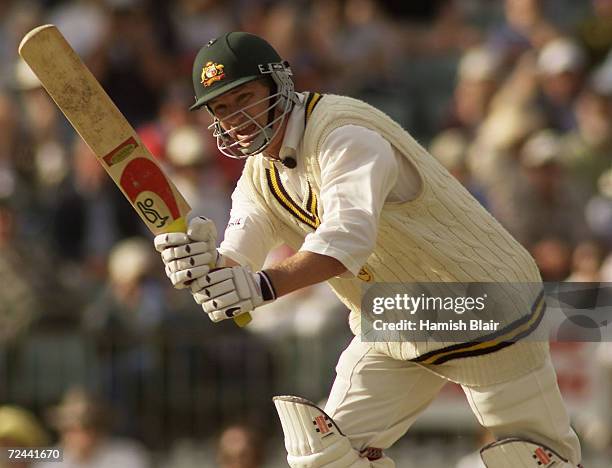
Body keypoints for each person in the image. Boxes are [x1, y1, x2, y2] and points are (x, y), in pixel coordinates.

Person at [153, 32, 582, 467]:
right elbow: (239, 257)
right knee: (322, 456)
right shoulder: (258, 174)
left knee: (536, 459)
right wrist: (203, 267)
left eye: (243, 97)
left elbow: (346, 238)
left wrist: (262, 286)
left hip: (481, 300)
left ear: (278, 83)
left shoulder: (343, 133)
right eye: (222, 108)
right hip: (396, 314)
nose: (236, 117)